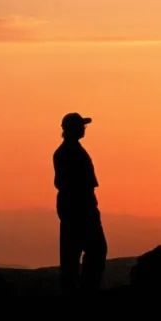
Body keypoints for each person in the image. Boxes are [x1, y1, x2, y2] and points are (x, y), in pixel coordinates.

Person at [53, 112, 107, 293]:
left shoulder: (67, 151)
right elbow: (73, 185)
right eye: (81, 126)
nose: (84, 129)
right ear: (72, 129)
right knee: (95, 250)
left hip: (73, 208)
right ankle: (86, 290)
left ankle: (79, 289)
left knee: (72, 255)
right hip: (80, 209)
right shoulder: (70, 152)